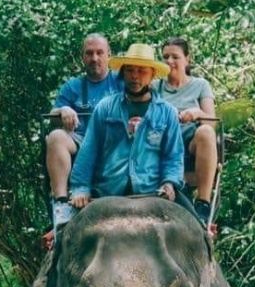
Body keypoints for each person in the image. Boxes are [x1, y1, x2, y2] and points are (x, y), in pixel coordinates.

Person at [69, 43, 183, 211]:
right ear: (123, 73)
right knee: (66, 231)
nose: (134, 76)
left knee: (195, 230)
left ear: (152, 75)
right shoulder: (105, 107)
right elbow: (89, 150)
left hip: (152, 193)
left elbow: (173, 156)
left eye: (141, 71)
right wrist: (81, 188)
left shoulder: (167, 113)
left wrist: (169, 183)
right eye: (129, 70)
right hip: (107, 193)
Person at [46, 33, 123, 228]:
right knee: (55, 137)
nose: (95, 58)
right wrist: (63, 110)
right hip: (81, 142)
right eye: (89, 53)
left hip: (116, 144)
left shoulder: (121, 82)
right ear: (83, 57)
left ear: (109, 55)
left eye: (99, 52)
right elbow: (52, 112)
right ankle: (62, 204)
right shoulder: (73, 86)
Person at [157, 36, 218, 225]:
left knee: (206, 132)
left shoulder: (200, 85)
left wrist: (196, 113)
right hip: (163, 144)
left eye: (175, 57)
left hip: (190, 143)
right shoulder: (155, 86)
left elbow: (212, 121)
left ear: (187, 59)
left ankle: (203, 202)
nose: (169, 61)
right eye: (165, 57)